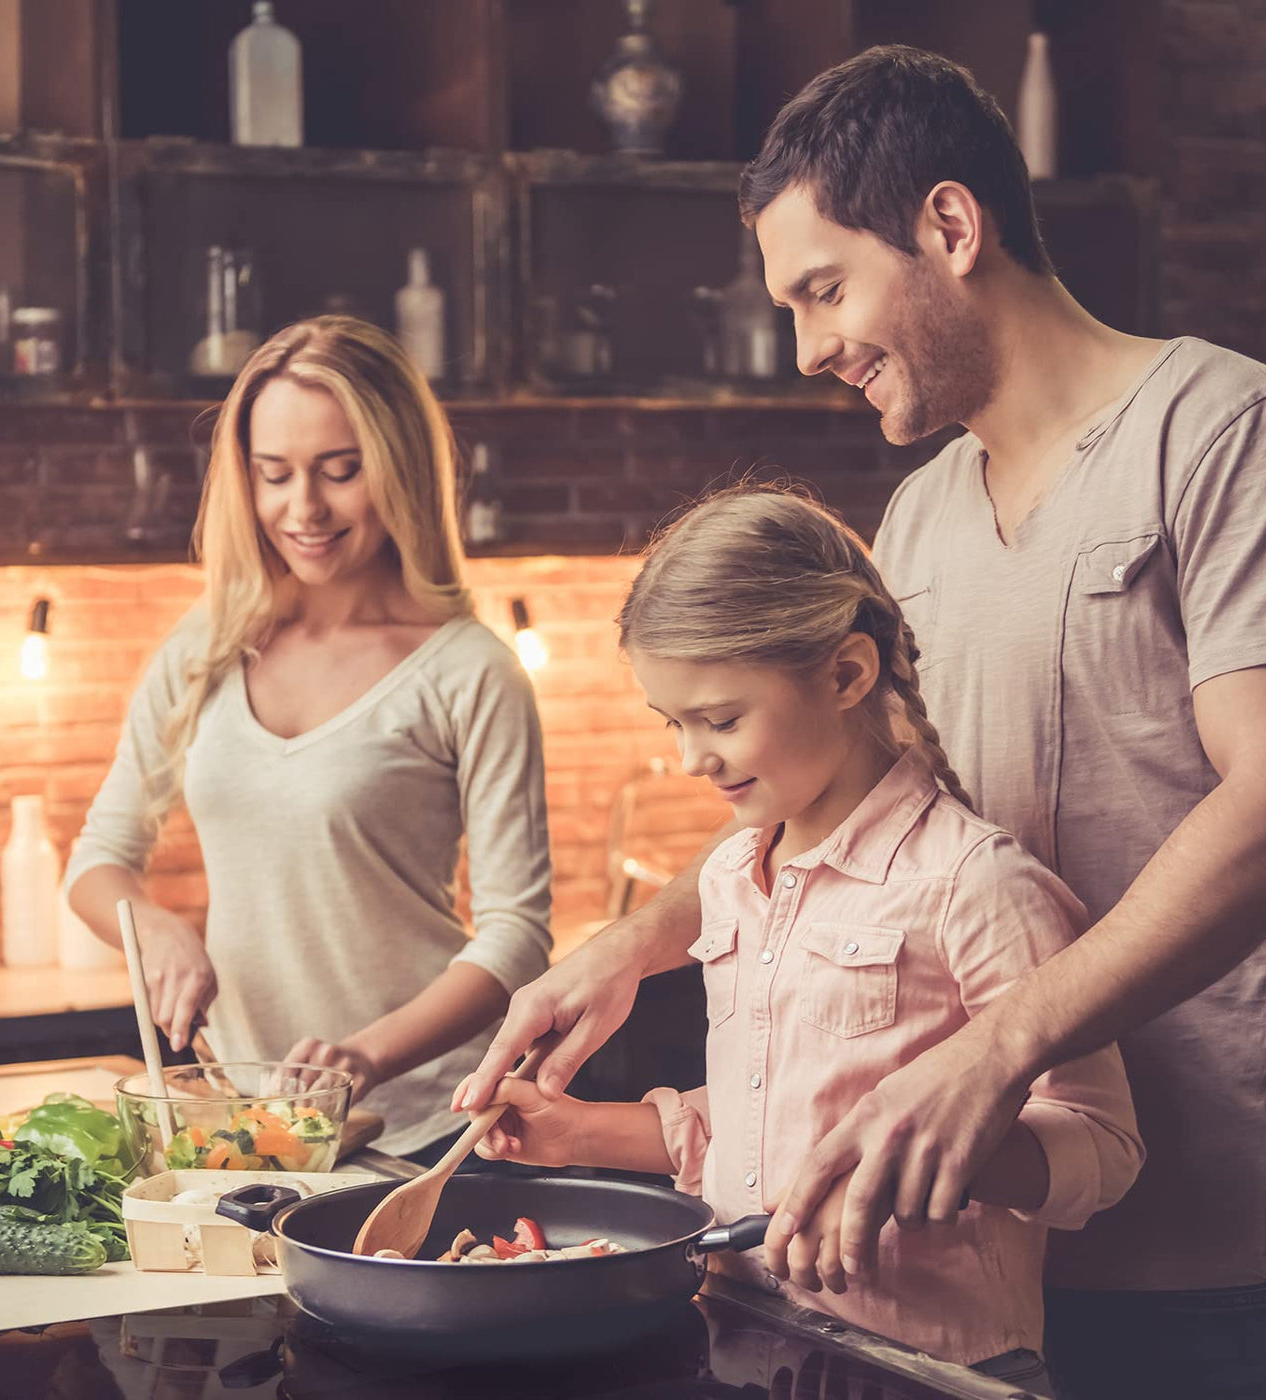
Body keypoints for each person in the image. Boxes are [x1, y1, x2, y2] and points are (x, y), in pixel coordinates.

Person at [459, 46, 1266, 1399]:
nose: (809, 347)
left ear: (950, 228)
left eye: (826, 288)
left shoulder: (1224, 433)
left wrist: (998, 1049)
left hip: (1212, 1251)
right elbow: (866, 818)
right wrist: (633, 946)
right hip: (964, 1257)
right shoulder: (920, 516)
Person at [468, 488, 1142, 1389]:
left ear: (846, 676)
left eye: (721, 719)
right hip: (748, 1340)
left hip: (938, 1368)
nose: (690, 759)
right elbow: (758, 1125)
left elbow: (1103, 1148)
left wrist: (939, 1150)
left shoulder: (974, 885)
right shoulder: (726, 883)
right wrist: (581, 1133)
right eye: (673, 722)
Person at [68, 316, 552, 1160]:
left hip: (431, 1131)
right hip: (254, 1126)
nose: (305, 509)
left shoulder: (470, 671)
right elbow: (97, 860)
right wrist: (153, 928)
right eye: (274, 475)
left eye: (340, 471)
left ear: (397, 468)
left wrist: (364, 1056)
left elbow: (517, 935)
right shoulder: (204, 647)